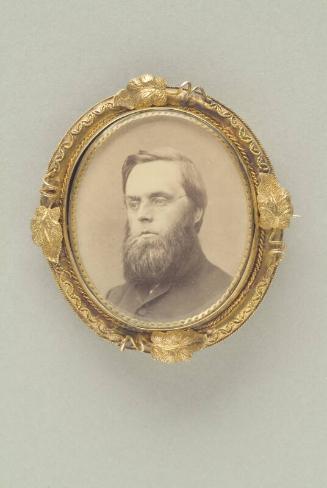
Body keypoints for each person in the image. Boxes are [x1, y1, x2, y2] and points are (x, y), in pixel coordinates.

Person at [106, 147, 232, 322]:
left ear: (196, 211)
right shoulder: (115, 299)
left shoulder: (225, 293)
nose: (142, 214)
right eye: (133, 203)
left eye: (159, 201)